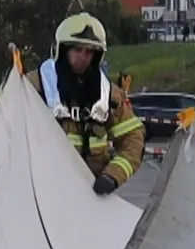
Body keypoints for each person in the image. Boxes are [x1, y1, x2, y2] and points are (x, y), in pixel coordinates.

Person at [42, 13, 144, 195]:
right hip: (45, 193)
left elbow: (133, 138)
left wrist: (112, 176)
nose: (83, 57)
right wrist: (13, 86)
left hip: (92, 199)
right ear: (62, 50)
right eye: (77, 49)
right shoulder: (37, 85)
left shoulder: (110, 97)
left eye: (89, 52)